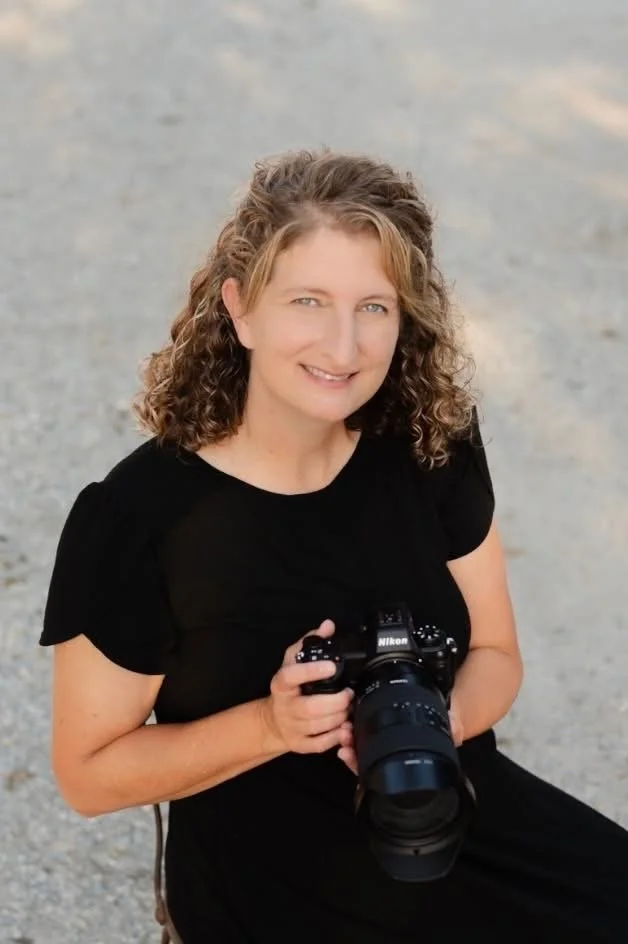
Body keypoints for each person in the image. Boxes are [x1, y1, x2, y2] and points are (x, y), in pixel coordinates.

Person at [40, 149, 628, 944]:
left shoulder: (431, 443)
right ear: (241, 309)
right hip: (270, 878)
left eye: (374, 307)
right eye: (308, 301)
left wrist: (426, 723)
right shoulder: (138, 519)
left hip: (443, 816)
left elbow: (495, 652)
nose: (344, 346)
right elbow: (88, 774)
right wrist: (272, 726)